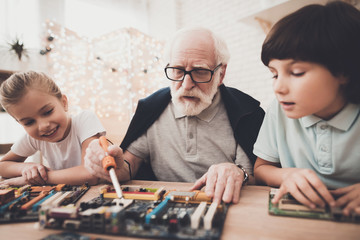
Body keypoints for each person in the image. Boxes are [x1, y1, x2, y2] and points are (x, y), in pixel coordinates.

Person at [85, 27, 265, 204]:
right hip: (162, 207)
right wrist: (117, 168)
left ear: (221, 73)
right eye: (178, 70)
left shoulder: (247, 113)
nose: (186, 84)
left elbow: (259, 178)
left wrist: (238, 171)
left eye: (200, 71)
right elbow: (129, 167)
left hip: (226, 205)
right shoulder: (150, 109)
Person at [253, 1, 360, 216]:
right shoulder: (279, 109)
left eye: (297, 72)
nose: (278, 87)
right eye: (274, 74)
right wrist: (286, 175)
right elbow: (261, 169)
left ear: (343, 72)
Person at [0, 71, 105, 186]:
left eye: (47, 112)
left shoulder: (84, 120)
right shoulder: (34, 138)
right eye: (29, 122)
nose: (43, 126)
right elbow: (2, 165)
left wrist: (39, 179)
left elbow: (90, 174)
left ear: (64, 103)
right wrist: (25, 168)